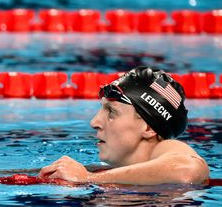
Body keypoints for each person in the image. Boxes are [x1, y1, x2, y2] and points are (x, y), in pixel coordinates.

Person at [39, 66, 210, 185]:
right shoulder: (118, 172)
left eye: (112, 112)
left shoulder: (166, 147)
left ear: (149, 128)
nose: (94, 122)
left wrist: (88, 178)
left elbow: (188, 170)